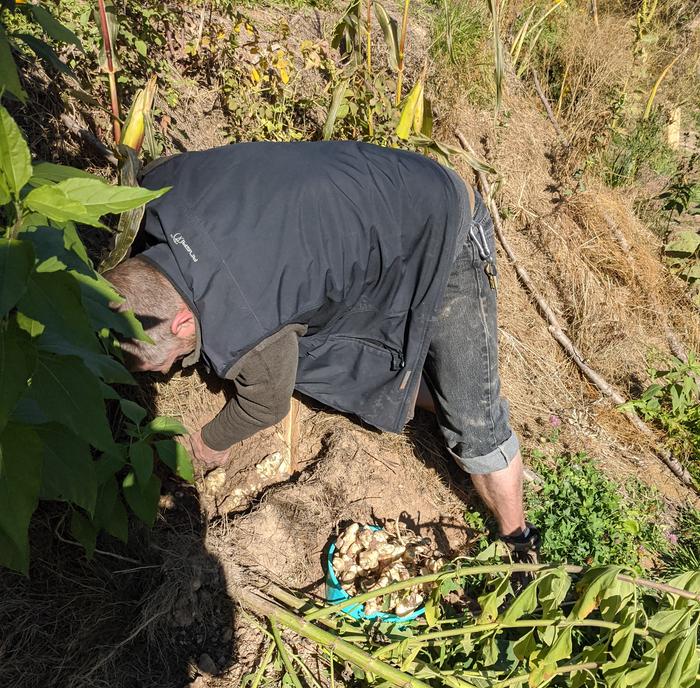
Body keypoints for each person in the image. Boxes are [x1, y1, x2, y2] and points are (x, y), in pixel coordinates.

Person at [105, 140, 539, 556]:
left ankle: (518, 541)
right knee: (321, 357)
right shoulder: (159, 193)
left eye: (157, 365)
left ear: (182, 320)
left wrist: (209, 442)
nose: (162, 374)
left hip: (442, 224)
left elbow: (265, 404)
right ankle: (432, 391)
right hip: (372, 191)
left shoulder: (248, 315)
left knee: (474, 424)